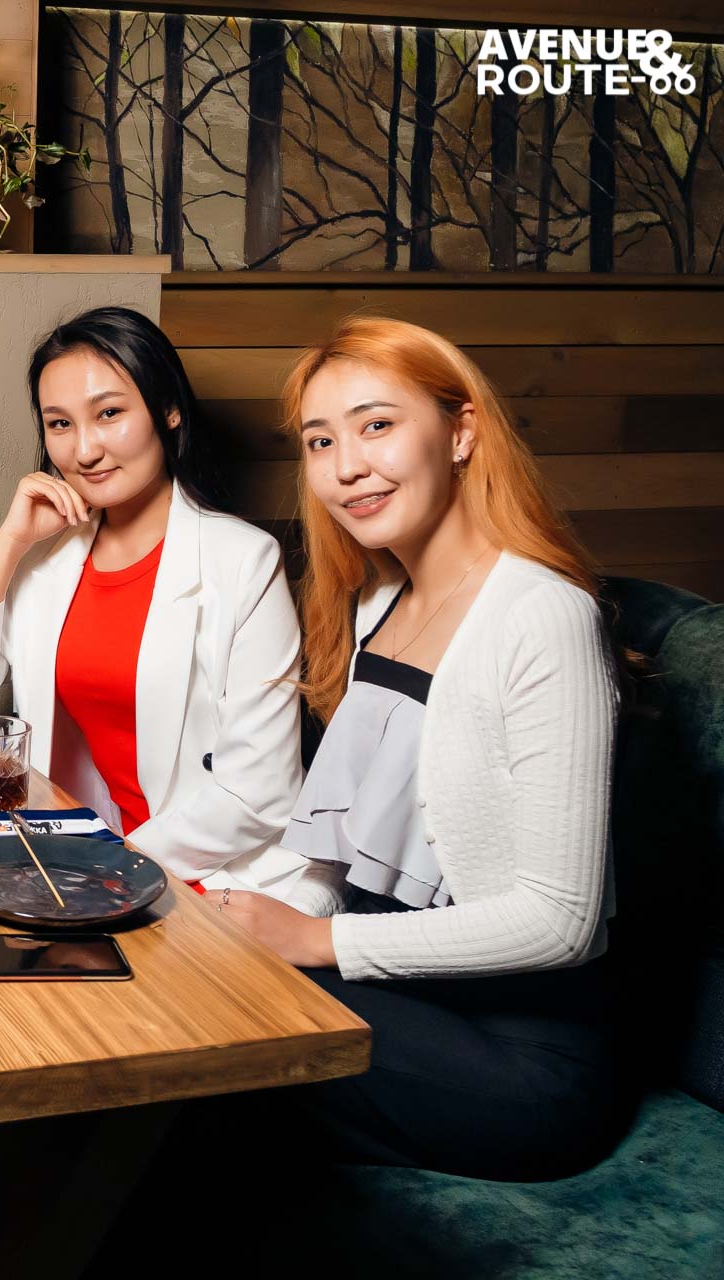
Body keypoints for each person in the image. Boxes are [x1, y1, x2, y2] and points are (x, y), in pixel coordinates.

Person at [219, 316, 624, 1179]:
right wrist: (240, 920)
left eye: (376, 425)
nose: (346, 466)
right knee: (186, 987)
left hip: (517, 1059)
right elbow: (344, 864)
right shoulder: (376, 605)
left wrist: (318, 944)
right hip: (398, 1000)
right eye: (321, 441)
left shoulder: (544, 616)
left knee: (207, 1042)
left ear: (462, 432)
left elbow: (561, 923)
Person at [0, 306, 324, 900]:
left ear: (168, 411)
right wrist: (7, 545)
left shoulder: (244, 561)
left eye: (109, 413)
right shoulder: (47, 562)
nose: (84, 449)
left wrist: (109, 863)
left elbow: (260, 793)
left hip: (207, 875)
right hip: (81, 865)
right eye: (60, 424)